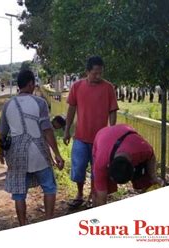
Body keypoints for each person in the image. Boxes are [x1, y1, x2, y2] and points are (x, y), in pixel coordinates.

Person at [0, 70, 64, 226]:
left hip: (16, 154)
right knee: (49, 187)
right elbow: (47, 130)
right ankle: (48, 221)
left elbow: (2, 132)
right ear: (30, 84)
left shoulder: (8, 104)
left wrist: (1, 152)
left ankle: (23, 225)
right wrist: (57, 154)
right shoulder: (39, 103)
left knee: (19, 193)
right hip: (38, 152)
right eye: (33, 83)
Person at [63, 56, 118, 209]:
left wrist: (112, 131)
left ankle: (93, 196)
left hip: (101, 141)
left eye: (101, 73)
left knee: (97, 170)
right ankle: (80, 193)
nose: (98, 76)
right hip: (81, 137)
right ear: (87, 71)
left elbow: (112, 110)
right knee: (78, 168)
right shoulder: (77, 86)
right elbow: (71, 109)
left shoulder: (108, 87)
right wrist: (67, 130)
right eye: (95, 73)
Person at [92, 124, 163, 206]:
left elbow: (151, 157)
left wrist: (153, 176)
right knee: (99, 189)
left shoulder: (142, 149)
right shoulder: (101, 163)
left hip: (125, 133)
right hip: (103, 135)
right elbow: (101, 196)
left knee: (146, 180)